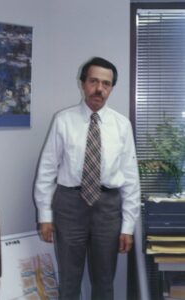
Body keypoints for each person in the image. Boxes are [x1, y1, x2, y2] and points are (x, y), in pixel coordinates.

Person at [34, 57, 141, 300]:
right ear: (83, 83)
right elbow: (47, 170)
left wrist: (128, 225)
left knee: (104, 281)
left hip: (108, 208)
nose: (99, 89)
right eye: (94, 81)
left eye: (106, 83)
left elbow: (131, 179)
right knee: (69, 279)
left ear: (112, 88)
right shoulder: (63, 120)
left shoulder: (122, 125)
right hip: (69, 206)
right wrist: (45, 215)